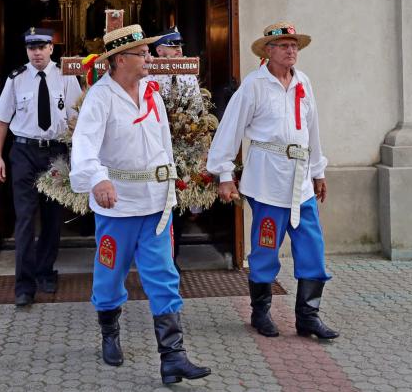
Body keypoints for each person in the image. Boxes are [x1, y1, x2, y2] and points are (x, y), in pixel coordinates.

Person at [70, 24, 211, 384]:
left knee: (163, 276)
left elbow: (163, 143)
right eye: (142, 54)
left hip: (155, 204)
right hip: (117, 206)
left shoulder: (151, 92)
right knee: (109, 277)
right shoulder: (100, 98)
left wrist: (173, 182)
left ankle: (173, 356)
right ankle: (109, 333)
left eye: (148, 52)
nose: (149, 59)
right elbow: (84, 144)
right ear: (120, 60)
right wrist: (97, 179)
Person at [206, 21, 338, 341]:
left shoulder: (303, 82)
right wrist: (224, 174)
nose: (292, 50)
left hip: (301, 182)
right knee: (265, 249)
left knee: (312, 248)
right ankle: (260, 313)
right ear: (268, 50)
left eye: (294, 45)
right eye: (284, 45)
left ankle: (308, 317)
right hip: (267, 181)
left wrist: (318, 171)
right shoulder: (255, 85)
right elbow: (231, 128)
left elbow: (312, 129)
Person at [0, 27, 83, 307]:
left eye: (42, 47)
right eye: (32, 48)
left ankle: (45, 272)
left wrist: (78, 157)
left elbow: (77, 119)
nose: (37, 53)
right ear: (27, 50)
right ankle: (24, 285)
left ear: (51, 49)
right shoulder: (16, 78)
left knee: (52, 218)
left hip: (55, 152)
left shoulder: (66, 77)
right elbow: (2, 120)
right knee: (25, 218)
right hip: (24, 152)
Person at [151, 26, 204, 271]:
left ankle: (173, 258)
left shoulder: (187, 75)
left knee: (178, 203)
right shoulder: (150, 75)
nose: (178, 50)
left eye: (179, 46)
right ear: (159, 51)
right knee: (158, 204)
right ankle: (157, 258)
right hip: (157, 147)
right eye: (172, 46)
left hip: (183, 146)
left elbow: (198, 109)